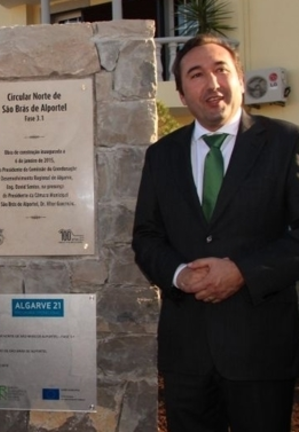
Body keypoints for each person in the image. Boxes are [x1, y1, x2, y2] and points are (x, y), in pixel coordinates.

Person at [132, 33, 299, 432]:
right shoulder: (161, 155)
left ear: (240, 79)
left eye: (221, 70)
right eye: (196, 74)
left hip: (261, 353)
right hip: (187, 355)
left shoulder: (285, 142)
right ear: (182, 93)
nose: (212, 83)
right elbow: (146, 236)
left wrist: (243, 271)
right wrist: (179, 275)